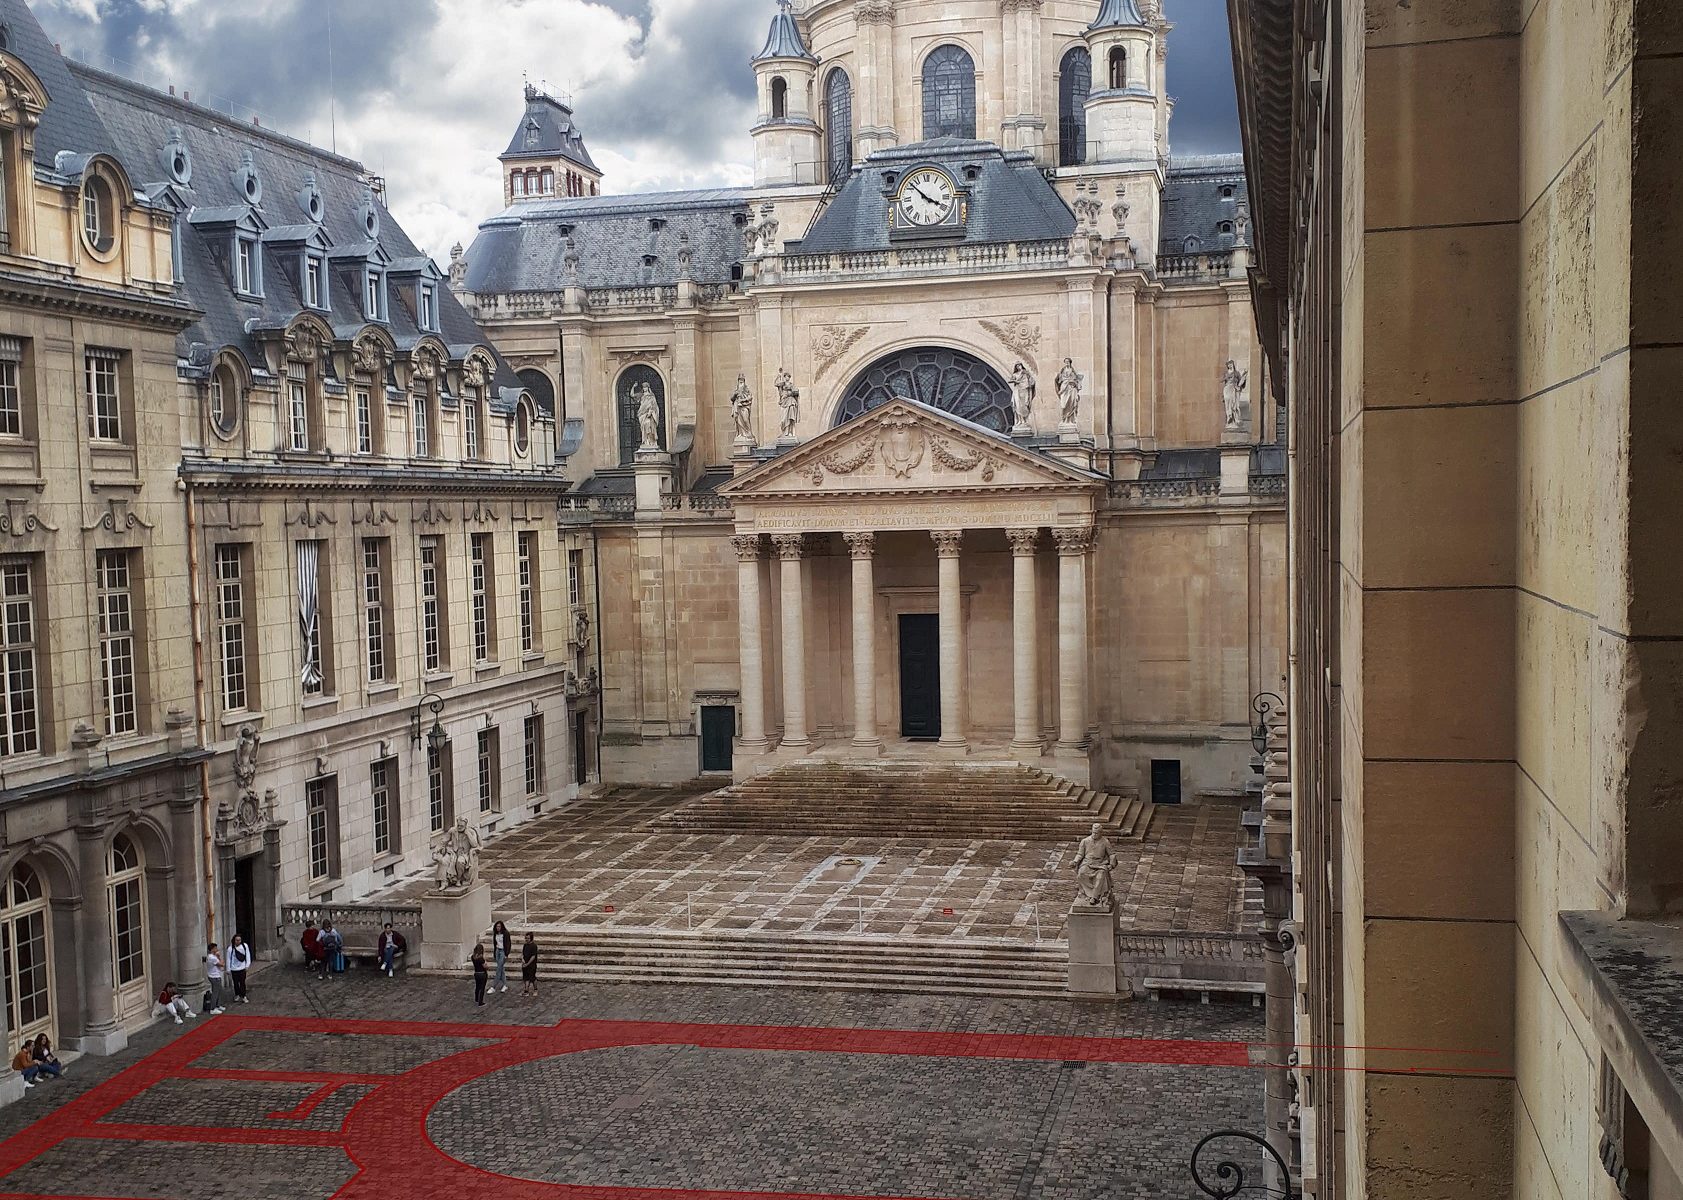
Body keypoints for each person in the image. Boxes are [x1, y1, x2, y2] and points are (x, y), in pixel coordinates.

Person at [227, 935, 252, 1003]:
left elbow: (248, 955)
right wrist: (228, 969)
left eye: (239, 940)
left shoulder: (244, 946)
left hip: (242, 968)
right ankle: (237, 994)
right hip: (234, 969)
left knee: (242, 982)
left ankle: (243, 995)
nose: (238, 941)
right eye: (236, 940)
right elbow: (228, 959)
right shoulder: (230, 948)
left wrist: (247, 965)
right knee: (235, 983)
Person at [204, 943, 227, 1013]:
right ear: (212, 949)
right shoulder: (212, 958)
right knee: (215, 992)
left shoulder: (212, 956)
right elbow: (222, 964)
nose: (217, 949)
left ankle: (218, 1005)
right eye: (215, 948)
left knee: (219, 991)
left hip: (216, 975)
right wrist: (219, 957)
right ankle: (212, 1008)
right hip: (214, 976)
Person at [491, 921, 512, 994]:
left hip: (503, 951)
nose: (498, 928)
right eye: (497, 926)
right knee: (501, 969)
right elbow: (495, 943)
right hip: (497, 950)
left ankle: (494, 986)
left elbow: (508, 944)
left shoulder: (505, 933)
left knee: (499, 968)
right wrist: (494, 953)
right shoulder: (495, 934)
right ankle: (505, 985)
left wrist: (506, 954)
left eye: (499, 926)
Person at [470, 942, 489, 1007]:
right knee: (482, 988)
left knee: (477, 987)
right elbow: (485, 967)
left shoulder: (473, 957)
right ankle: (480, 1002)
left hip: (476, 973)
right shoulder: (481, 959)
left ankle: (476, 998)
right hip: (482, 974)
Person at [521, 932, 539, 998]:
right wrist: (522, 959)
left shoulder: (534, 946)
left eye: (528, 938)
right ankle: (526, 990)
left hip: (532, 965)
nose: (527, 939)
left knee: (532, 978)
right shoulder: (525, 945)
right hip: (525, 964)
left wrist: (528, 963)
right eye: (526, 938)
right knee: (526, 978)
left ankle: (535, 989)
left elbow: (533, 956)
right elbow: (523, 954)